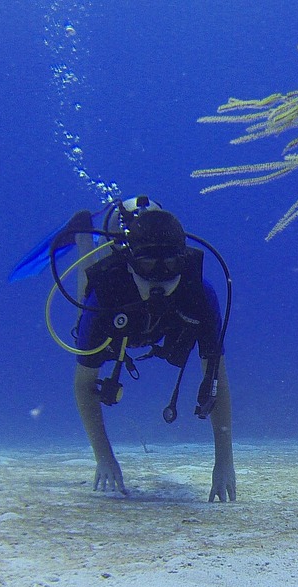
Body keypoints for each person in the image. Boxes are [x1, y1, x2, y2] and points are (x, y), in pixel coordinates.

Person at [63, 199, 237, 500]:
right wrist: (104, 457)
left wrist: (225, 463)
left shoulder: (199, 297)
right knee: (87, 293)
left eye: (169, 266)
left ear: (183, 262)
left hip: (154, 324)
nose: (158, 278)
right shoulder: (105, 296)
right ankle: (84, 239)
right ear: (130, 263)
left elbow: (215, 379)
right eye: (146, 266)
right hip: (118, 314)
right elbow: (84, 385)